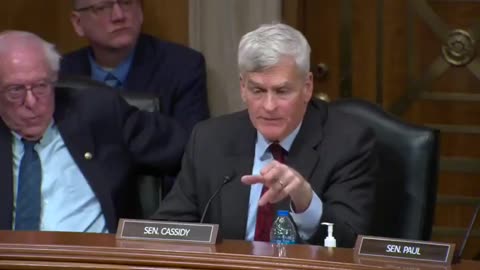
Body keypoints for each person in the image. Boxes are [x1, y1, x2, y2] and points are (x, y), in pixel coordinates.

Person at [152, 23, 378, 248]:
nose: (269, 106)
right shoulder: (209, 139)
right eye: (258, 90)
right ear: (243, 88)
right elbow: (169, 228)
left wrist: (306, 202)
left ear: (307, 87)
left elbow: (351, 245)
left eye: (282, 91)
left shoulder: (348, 143)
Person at [0, 31, 187, 233]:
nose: (31, 102)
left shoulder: (99, 112)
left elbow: (189, 151)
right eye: (15, 90)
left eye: (41, 86)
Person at [61, 0, 210, 134]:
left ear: (140, 11)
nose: (119, 16)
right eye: (102, 8)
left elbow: (192, 149)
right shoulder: (58, 75)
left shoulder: (182, 66)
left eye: (126, 2)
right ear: (78, 23)